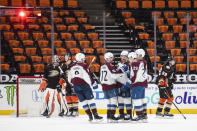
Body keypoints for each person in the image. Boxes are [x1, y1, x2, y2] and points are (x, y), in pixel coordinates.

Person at [68, 53, 103, 122]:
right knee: (90, 100)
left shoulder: (71, 66)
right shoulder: (84, 65)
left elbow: (69, 78)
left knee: (83, 102)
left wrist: (73, 84)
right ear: (80, 58)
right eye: (83, 59)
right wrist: (93, 83)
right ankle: (95, 116)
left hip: (76, 86)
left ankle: (90, 116)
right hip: (84, 85)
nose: (84, 60)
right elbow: (87, 76)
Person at [100, 52, 127, 122]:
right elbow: (114, 75)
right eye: (111, 57)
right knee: (113, 100)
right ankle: (112, 115)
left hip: (104, 86)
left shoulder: (102, 65)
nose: (113, 59)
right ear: (107, 58)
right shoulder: (109, 66)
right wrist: (121, 70)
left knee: (109, 101)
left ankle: (108, 115)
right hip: (110, 85)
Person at [129, 49, 148, 122]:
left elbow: (136, 75)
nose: (135, 57)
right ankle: (144, 114)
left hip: (137, 84)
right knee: (142, 99)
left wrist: (132, 82)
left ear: (140, 55)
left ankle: (139, 115)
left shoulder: (137, 63)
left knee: (137, 100)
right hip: (142, 84)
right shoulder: (143, 62)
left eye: (136, 55)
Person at [116, 50, 132, 121]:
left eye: (125, 56)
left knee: (127, 100)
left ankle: (129, 114)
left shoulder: (130, 64)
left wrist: (128, 83)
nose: (123, 57)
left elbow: (131, 75)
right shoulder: (118, 63)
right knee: (120, 100)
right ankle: (121, 114)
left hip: (126, 84)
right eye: (122, 56)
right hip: (119, 84)